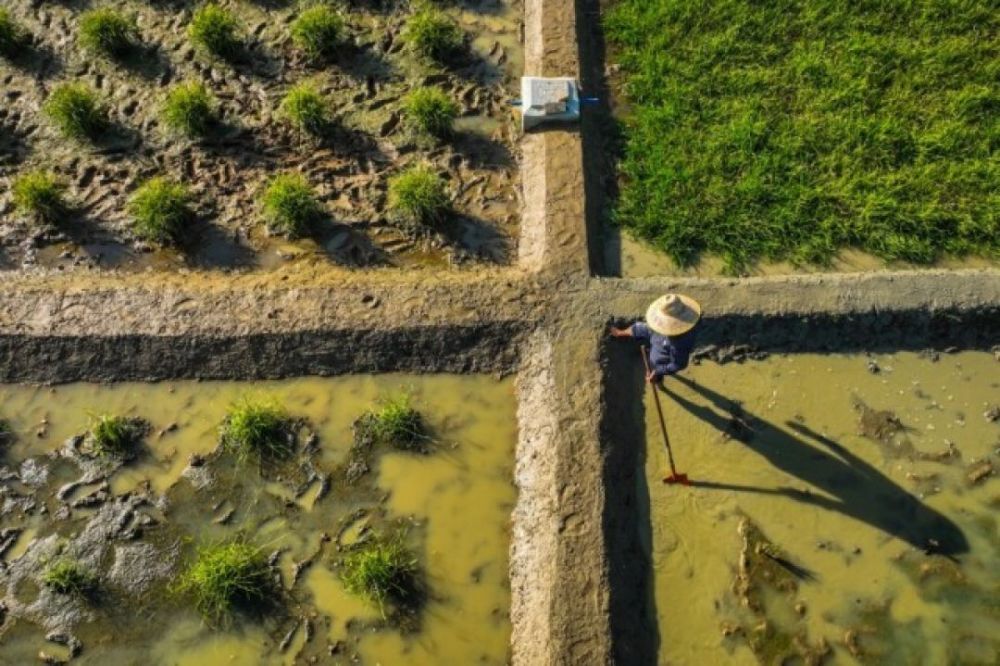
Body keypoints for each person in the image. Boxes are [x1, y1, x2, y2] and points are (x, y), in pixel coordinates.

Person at [610, 293, 701, 384]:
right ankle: (657, 377)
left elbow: (677, 365)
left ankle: (659, 381)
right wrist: (621, 333)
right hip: (658, 347)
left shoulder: (680, 344)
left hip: (662, 363)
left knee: (656, 376)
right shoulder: (658, 327)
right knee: (640, 329)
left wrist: (657, 371)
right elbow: (642, 328)